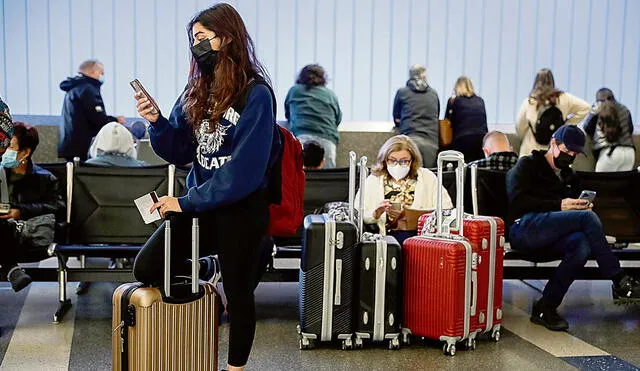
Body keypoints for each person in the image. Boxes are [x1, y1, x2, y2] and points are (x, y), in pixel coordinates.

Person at [132, 4, 281, 371]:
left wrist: (185, 201)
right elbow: (181, 151)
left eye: (203, 38)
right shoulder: (197, 88)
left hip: (241, 208)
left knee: (239, 293)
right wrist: (157, 123)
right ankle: (207, 270)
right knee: (147, 267)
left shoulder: (256, 94)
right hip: (200, 206)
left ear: (227, 38)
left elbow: (244, 172)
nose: (196, 46)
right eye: (193, 39)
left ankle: (235, 367)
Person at [506, 124, 640, 331]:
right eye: (566, 150)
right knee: (586, 218)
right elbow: (517, 202)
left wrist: (579, 207)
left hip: (552, 235)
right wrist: (560, 205)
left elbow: (575, 215)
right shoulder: (528, 165)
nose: (569, 156)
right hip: (524, 228)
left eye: (574, 153)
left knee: (582, 244)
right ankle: (619, 279)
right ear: (553, 143)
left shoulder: (570, 177)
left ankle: (546, 306)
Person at [0, 123, 65, 292]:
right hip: (4, 232)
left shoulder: (44, 179)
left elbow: (58, 206)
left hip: (28, 234)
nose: (4, 150)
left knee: (5, 226)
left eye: (9, 146)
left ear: (25, 152)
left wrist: (21, 211)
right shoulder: (1, 174)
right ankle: (12, 269)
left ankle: (11, 268)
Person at [356, 135, 453, 245]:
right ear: (384, 160)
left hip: (420, 237)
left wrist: (411, 215)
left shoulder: (427, 177)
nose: (397, 165)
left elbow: (446, 209)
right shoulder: (373, 180)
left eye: (404, 161)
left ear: (412, 161)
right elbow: (358, 213)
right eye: (392, 161)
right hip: (386, 237)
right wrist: (376, 213)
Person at [58, 59, 126, 162]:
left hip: (70, 144)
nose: (102, 76)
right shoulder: (88, 89)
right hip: (82, 146)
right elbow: (97, 119)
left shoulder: (74, 88)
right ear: (92, 72)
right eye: (101, 73)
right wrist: (115, 121)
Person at [516, 68, 589, 158]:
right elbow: (585, 107)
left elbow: (520, 126)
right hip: (554, 152)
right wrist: (566, 125)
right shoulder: (564, 98)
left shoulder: (530, 101)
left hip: (530, 150)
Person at [285, 64, 341, 168]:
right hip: (327, 139)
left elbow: (288, 115)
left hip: (301, 136)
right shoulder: (330, 94)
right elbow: (338, 119)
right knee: (328, 179)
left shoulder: (294, 91)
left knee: (298, 177)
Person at [393, 65, 441, 168]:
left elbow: (396, 118)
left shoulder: (402, 92)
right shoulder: (433, 94)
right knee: (428, 178)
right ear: (424, 76)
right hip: (431, 143)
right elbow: (436, 116)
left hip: (410, 140)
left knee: (411, 178)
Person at [582, 88, 635, 172]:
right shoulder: (624, 109)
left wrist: (593, 112)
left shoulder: (598, 108)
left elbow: (587, 127)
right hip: (629, 153)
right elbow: (630, 129)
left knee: (599, 184)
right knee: (621, 184)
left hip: (609, 153)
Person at [445, 76, 488, 162]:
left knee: (460, 168)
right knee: (476, 168)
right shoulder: (480, 100)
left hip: (462, 139)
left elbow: (447, 122)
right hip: (481, 139)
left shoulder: (454, 101)